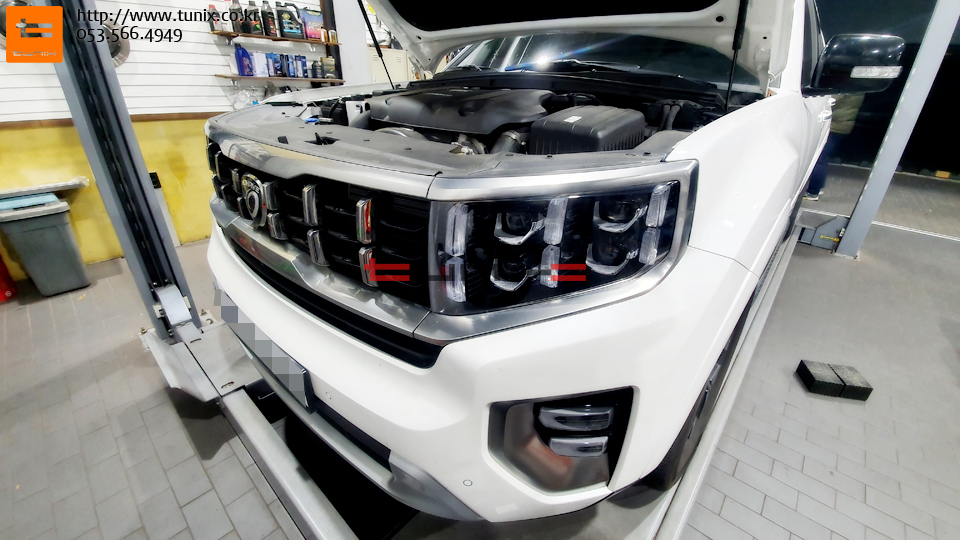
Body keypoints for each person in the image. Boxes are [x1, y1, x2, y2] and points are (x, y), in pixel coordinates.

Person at [806, 93, 864, 200]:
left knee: (819, 159)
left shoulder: (844, 88)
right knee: (823, 158)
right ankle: (817, 187)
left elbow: (828, 101)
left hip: (834, 126)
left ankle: (813, 192)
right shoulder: (857, 89)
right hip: (841, 126)